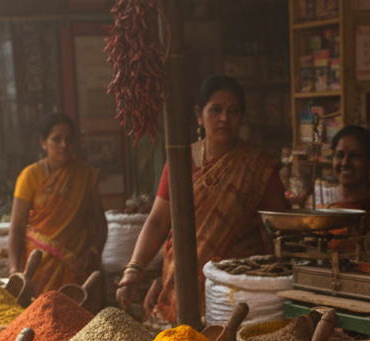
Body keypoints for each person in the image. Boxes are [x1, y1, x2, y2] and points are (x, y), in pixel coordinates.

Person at [118, 75, 288, 323]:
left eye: (233, 111)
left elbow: (279, 230)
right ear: (199, 114)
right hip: (182, 285)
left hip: (236, 291)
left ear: (241, 116)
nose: (224, 118)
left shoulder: (257, 167)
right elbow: (157, 222)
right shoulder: (180, 161)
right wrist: (134, 271)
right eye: (215, 110)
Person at [8, 113, 107, 294]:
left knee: (77, 310)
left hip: (77, 266)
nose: (64, 145)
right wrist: (14, 270)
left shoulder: (85, 175)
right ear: (43, 143)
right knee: (41, 309)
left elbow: (99, 223)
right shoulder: (30, 176)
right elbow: (16, 227)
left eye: (68, 139)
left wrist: (93, 252)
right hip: (40, 267)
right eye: (56, 139)